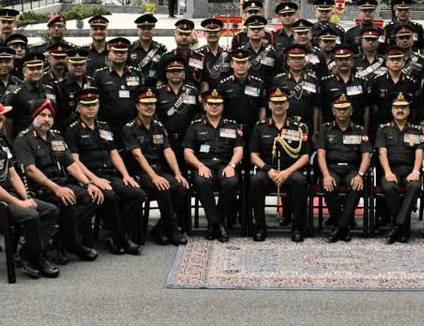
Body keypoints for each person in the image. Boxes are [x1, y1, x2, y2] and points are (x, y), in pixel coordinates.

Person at [0, 98, 60, 279]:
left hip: (8, 196)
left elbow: (13, 173)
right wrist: (20, 204)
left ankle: (27, 254)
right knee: (31, 216)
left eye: (0, 119)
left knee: (51, 210)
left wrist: (25, 198)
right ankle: (34, 258)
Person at [11, 99, 100, 263]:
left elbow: (71, 164)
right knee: (67, 201)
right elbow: (30, 170)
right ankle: (71, 243)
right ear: (34, 117)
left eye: (50, 116)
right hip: (39, 188)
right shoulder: (24, 139)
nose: (46, 119)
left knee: (92, 196)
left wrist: (89, 184)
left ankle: (62, 239)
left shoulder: (56, 137)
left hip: (62, 183)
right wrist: (56, 188)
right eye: (42, 115)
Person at [63, 88, 144, 255]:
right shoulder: (73, 130)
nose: (91, 108)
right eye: (86, 105)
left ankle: (114, 235)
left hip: (110, 174)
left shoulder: (105, 127)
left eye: (94, 104)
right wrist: (93, 180)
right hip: (89, 177)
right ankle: (121, 239)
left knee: (137, 194)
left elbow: (114, 153)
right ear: (78, 108)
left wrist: (126, 175)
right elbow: (75, 161)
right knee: (110, 197)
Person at [120, 89, 188, 245]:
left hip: (159, 169)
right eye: (145, 104)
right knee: (162, 188)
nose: (149, 107)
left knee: (180, 188)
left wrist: (177, 173)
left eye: (152, 104)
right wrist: (154, 177)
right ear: (137, 106)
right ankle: (172, 231)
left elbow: (168, 150)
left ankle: (160, 228)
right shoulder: (129, 128)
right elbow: (138, 156)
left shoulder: (158, 125)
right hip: (140, 172)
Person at [248, 87, 311, 242]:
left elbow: (305, 156)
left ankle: (297, 228)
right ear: (269, 105)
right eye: (275, 103)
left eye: (282, 102)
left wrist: (286, 172)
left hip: (289, 170)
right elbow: (253, 156)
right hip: (268, 170)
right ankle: (260, 227)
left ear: (287, 105)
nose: (278, 106)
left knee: (300, 181)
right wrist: (268, 170)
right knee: (255, 181)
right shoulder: (260, 127)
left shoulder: (297, 127)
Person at [182, 89, 245, 242]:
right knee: (200, 181)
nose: (214, 107)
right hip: (204, 165)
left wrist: (231, 165)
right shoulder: (195, 126)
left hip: (225, 165)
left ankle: (214, 224)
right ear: (204, 106)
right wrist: (199, 166)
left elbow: (239, 150)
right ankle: (218, 224)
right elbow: (188, 152)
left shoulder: (231, 125)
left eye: (217, 104)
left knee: (232, 182)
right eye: (210, 104)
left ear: (223, 106)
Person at [315, 95, 371, 242]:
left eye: (345, 109)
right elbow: (320, 154)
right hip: (331, 168)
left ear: (351, 111)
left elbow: (366, 155)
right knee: (329, 185)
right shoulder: (325, 128)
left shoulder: (359, 130)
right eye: (338, 110)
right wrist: (326, 175)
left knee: (356, 185)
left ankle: (339, 227)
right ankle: (344, 226)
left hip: (352, 169)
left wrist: (360, 175)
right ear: (333, 111)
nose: (342, 112)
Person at [374, 94, 424, 244]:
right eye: (397, 107)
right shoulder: (383, 129)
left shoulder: (416, 130)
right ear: (392, 110)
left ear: (409, 110)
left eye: (403, 107)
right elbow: (382, 152)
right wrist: (388, 172)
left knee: (415, 186)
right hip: (392, 170)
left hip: (410, 170)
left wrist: (416, 171)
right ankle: (403, 227)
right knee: (389, 187)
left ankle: (398, 226)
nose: (400, 110)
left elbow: (419, 153)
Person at [91, 37, 143, 146]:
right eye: (116, 52)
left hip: (133, 126)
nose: (119, 55)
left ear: (127, 54)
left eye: (123, 52)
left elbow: (142, 100)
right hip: (108, 126)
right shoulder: (99, 75)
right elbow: (94, 102)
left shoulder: (136, 74)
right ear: (109, 54)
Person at [367, 47, 420, 131]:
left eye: (398, 59)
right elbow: (373, 106)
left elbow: (414, 107)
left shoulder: (411, 83)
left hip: (405, 127)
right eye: (392, 60)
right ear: (387, 63)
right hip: (382, 126)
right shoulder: (377, 82)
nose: (395, 62)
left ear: (403, 63)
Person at [4, 55, 55, 140]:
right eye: (31, 69)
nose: (36, 72)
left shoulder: (50, 90)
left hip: (46, 139)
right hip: (25, 141)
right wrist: (13, 144)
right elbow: (8, 123)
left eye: (39, 68)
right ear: (24, 72)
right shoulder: (16, 94)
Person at [270, 45, 320, 130]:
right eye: (293, 59)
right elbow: (273, 104)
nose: (297, 61)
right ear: (288, 62)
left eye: (300, 59)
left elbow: (316, 107)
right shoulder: (279, 80)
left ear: (305, 61)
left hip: (307, 123)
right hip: (285, 124)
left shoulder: (312, 80)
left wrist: (316, 130)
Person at [320, 45, 369, 129]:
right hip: (331, 130)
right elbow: (321, 108)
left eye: (347, 59)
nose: (343, 62)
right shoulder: (326, 82)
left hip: (357, 128)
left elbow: (366, 109)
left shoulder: (362, 82)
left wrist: (366, 131)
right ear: (335, 62)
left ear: (352, 61)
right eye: (340, 59)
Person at [129, 13, 168, 86]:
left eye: (149, 28)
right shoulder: (130, 49)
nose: (146, 31)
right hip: (134, 89)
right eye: (143, 28)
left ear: (154, 31)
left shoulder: (161, 50)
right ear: (137, 31)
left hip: (155, 88)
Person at [193, 18, 231, 86]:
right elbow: (195, 78)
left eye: (215, 32)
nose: (213, 35)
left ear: (220, 33)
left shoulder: (228, 54)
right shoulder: (196, 55)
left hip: (224, 93)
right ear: (204, 34)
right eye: (209, 32)